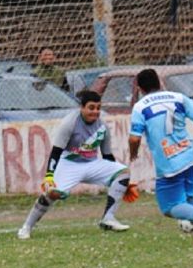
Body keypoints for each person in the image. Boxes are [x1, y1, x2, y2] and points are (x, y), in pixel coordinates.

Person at [128, 68, 193, 246]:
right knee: (189, 195)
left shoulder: (141, 106)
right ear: (159, 82)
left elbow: (134, 138)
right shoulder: (178, 97)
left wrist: (133, 153)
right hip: (188, 156)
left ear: (140, 88)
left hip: (168, 163)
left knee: (169, 207)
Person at [17, 90, 131, 239]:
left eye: (98, 108)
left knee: (124, 172)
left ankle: (108, 219)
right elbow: (56, 151)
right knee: (52, 193)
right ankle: (26, 227)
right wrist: (49, 176)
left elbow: (107, 156)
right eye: (91, 108)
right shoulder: (70, 123)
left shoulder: (102, 127)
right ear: (82, 108)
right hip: (68, 164)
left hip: (91, 164)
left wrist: (120, 184)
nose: (95, 112)